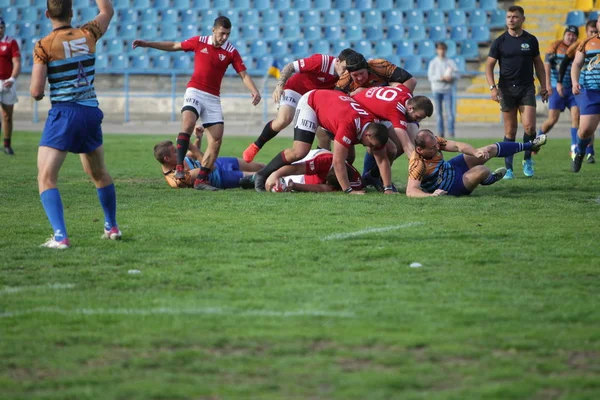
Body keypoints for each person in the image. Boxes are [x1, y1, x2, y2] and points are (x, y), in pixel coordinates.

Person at [132, 16, 261, 190]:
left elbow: (243, 74)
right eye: (222, 33)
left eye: (228, 34)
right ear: (213, 29)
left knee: (216, 140)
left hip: (213, 98)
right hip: (195, 91)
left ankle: (201, 180)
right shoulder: (199, 42)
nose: (224, 37)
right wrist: (148, 44)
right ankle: (179, 167)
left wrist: (254, 90)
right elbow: (174, 46)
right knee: (188, 123)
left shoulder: (231, 51)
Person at [31, 0, 120, 249]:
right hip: (90, 112)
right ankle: (111, 226)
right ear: (72, 12)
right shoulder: (88, 33)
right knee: (99, 174)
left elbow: (36, 91)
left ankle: (60, 236)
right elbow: (107, 11)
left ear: (48, 13)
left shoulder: (43, 45)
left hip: (64, 113)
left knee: (46, 177)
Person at [253, 89, 392, 194]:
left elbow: (382, 159)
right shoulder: (348, 126)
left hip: (333, 109)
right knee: (300, 151)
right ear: (367, 135)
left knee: (349, 158)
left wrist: (388, 188)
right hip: (312, 103)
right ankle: (262, 174)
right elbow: (337, 162)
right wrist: (349, 191)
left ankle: (333, 181)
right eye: (372, 146)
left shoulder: (373, 127)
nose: (372, 149)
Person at [241, 49, 356, 163]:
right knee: (284, 119)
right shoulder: (321, 61)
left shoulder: (347, 78)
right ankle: (257, 145)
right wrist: (279, 86)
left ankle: (318, 172)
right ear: (337, 61)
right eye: (344, 68)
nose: (346, 72)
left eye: (349, 70)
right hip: (296, 90)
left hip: (315, 101)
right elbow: (290, 67)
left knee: (324, 136)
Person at [485, 5, 549, 179]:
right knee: (510, 131)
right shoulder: (500, 41)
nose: (511, 20)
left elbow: (539, 65)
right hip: (506, 89)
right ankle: (509, 169)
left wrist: (544, 86)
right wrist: (493, 88)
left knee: (530, 126)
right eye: (508, 17)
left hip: (527, 87)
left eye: (514, 17)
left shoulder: (531, 40)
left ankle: (527, 159)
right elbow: (489, 66)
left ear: (522, 19)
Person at [406, 129, 548, 198]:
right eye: (432, 148)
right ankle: (490, 179)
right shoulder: (417, 164)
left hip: (453, 167)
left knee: (487, 150)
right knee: (482, 170)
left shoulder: (434, 142)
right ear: (420, 149)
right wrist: (432, 196)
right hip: (452, 186)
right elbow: (411, 191)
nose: (437, 148)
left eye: (437, 145)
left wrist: (475, 152)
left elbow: (457, 146)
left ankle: (530, 145)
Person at [352, 85, 434, 189]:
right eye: (417, 117)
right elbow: (407, 146)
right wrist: (420, 168)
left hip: (374, 110)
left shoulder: (406, 92)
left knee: (396, 145)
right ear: (410, 108)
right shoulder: (396, 110)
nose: (417, 121)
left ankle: (373, 175)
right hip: (360, 110)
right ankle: (372, 177)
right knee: (391, 148)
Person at [155, 127, 264, 189]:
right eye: (175, 151)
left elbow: (191, 156)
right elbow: (209, 168)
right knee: (259, 176)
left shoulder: (175, 162)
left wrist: (198, 138)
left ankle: (280, 166)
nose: (179, 150)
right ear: (167, 159)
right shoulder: (178, 179)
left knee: (260, 166)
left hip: (221, 161)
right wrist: (191, 146)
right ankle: (280, 178)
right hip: (221, 177)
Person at [558, 20, 598, 163]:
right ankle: (579, 149)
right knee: (585, 128)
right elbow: (572, 63)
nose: (594, 32)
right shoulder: (584, 44)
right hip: (587, 90)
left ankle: (589, 152)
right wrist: (568, 82)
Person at [538, 26, 580, 155]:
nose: (570, 37)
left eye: (573, 35)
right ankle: (537, 140)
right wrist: (548, 85)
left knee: (576, 118)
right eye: (568, 34)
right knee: (552, 120)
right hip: (556, 88)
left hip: (572, 89)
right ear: (564, 35)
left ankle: (574, 147)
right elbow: (547, 66)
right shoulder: (555, 47)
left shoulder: (578, 49)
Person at [570, 15, 600, 172]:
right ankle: (580, 152)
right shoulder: (587, 43)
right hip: (591, 91)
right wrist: (575, 82)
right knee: (586, 130)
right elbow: (576, 64)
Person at [261, 148, 364, 193]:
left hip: (307, 178)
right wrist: (276, 174)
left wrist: (295, 186)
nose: (326, 182)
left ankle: (250, 176)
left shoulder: (354, 184)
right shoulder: (324, 162)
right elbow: (297, 169)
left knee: (279, 185)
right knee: (271, 177)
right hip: (311, 159)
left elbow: (323, 188)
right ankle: (257, 174)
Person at [335, 52, 417, 95]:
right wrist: (352, 94)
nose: (359, 78)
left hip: (388, 97)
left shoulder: (380, 66)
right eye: (355, 75)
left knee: (397, 84)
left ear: (367, 68)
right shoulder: (345, 79)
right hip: (363, 106)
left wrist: (402, 99)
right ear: (349, 74)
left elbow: (411, 81)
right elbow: (335, 98)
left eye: (362, 73)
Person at [427, 42, 459, 138]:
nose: (442, 51)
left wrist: (451, 77)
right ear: (437, 50)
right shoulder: (433, 63)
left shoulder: (450, 62)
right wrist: (440, 78)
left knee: (450, 112)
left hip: (447, 90)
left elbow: (457, 74)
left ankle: (451, 132)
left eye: (443, 49)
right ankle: (441, 133)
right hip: (437, 90)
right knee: (438, 113)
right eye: (440, 49)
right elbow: (430, 76)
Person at [0, 18, 21, 155]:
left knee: (7, 115)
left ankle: (7, 144)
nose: (0, 29)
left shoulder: (10, 42)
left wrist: (13, 78)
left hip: (7, 81)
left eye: (1, 26)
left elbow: (17, 62)